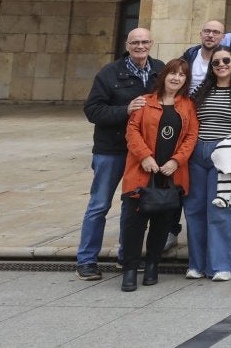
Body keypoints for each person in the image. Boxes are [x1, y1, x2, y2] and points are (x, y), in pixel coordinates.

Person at [76, 27, 163, 281]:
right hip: (111, 150)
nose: (140, 46)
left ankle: (128, 258)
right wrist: (125, 109)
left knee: (133, 207)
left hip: (142, 153)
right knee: (99, 204)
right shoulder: (109, 73)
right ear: (127, 45)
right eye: (135, 42)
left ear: (151, 43)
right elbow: (93, 110)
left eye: (145, 41)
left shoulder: (159, 69)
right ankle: (87, 260)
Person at [118, 58, 197, 291]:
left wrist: (176, 160)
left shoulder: (187, 105)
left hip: (171, 174)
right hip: (142, 173)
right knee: (134, 224)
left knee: (162, 224)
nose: (176, 78)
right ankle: (130, 269)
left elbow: (192, 136)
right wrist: (144, 156)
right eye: (172, 73)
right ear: (164, 76)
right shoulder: (145, 102)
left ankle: (152, 265)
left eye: (182, 75)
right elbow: (131, 131)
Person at [186, 48, 231, 281]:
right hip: (197, 152)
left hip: (224, 153)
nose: (221, 65)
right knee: (194, 209)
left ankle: (221, 265)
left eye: (226, 60)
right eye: (216, 62)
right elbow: (190, 117)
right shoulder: (201, 90)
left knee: (219, 208)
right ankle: (197, 264)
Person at [182, 20, 226, 92]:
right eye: (207, 31)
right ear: (201, 34)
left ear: (223, 37)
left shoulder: (228, 59)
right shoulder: (189, 55)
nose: (210, 35)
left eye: (216, 32)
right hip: (188, 101)